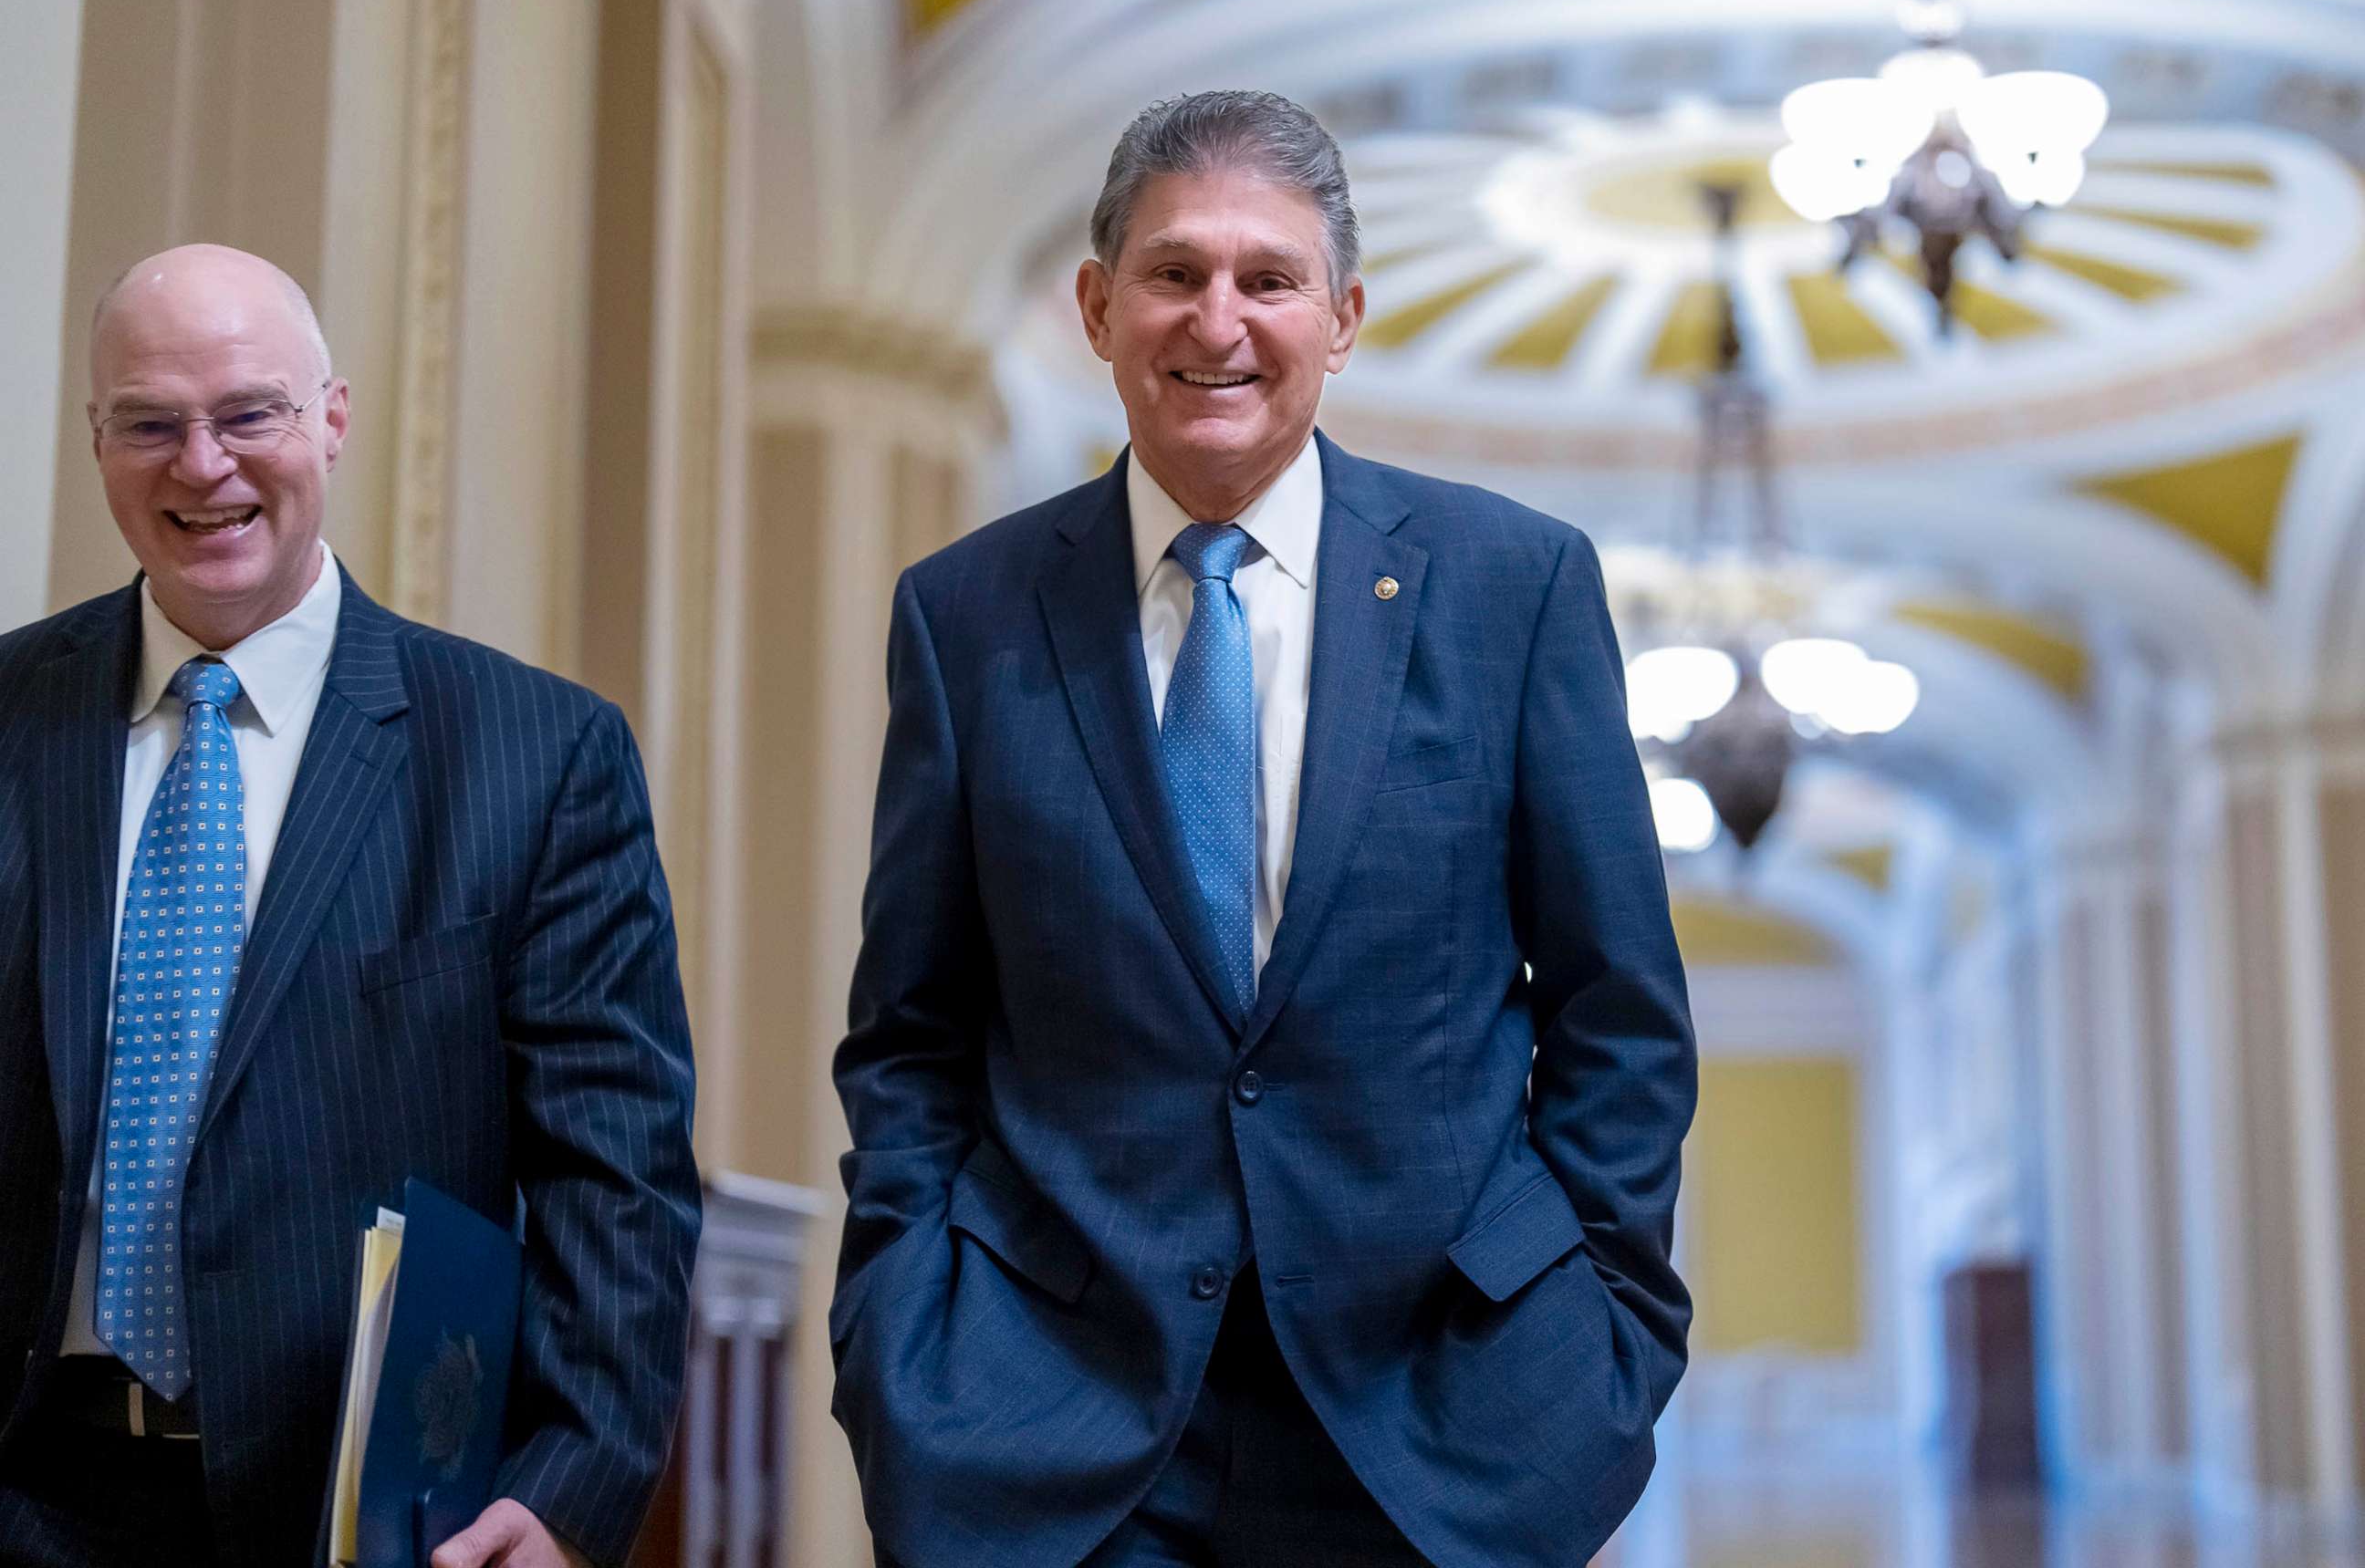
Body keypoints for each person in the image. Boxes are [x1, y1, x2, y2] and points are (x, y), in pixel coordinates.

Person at [829, 91, 1696, 1567]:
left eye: (1269, 279)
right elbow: (914, 1028)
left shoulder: (1513, 588)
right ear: (1100, 307)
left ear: (1342, 317)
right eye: (1173, 273)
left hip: (1441, 1423)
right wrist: (904, 1327)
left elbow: (1620, 1013)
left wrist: (1597, 1335)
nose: (1216, 321)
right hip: (1049, 1427)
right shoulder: (965, 616)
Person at [0, 244, 701, 1568]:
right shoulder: (12, 717)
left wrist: (567, 1489)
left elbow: (617, 1177)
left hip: (368, 1518)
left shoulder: (533, 755)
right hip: (33, 1488)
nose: (201, 465)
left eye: (248, 413)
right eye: (150, 424)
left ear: (331, 418)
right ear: (97, 442)